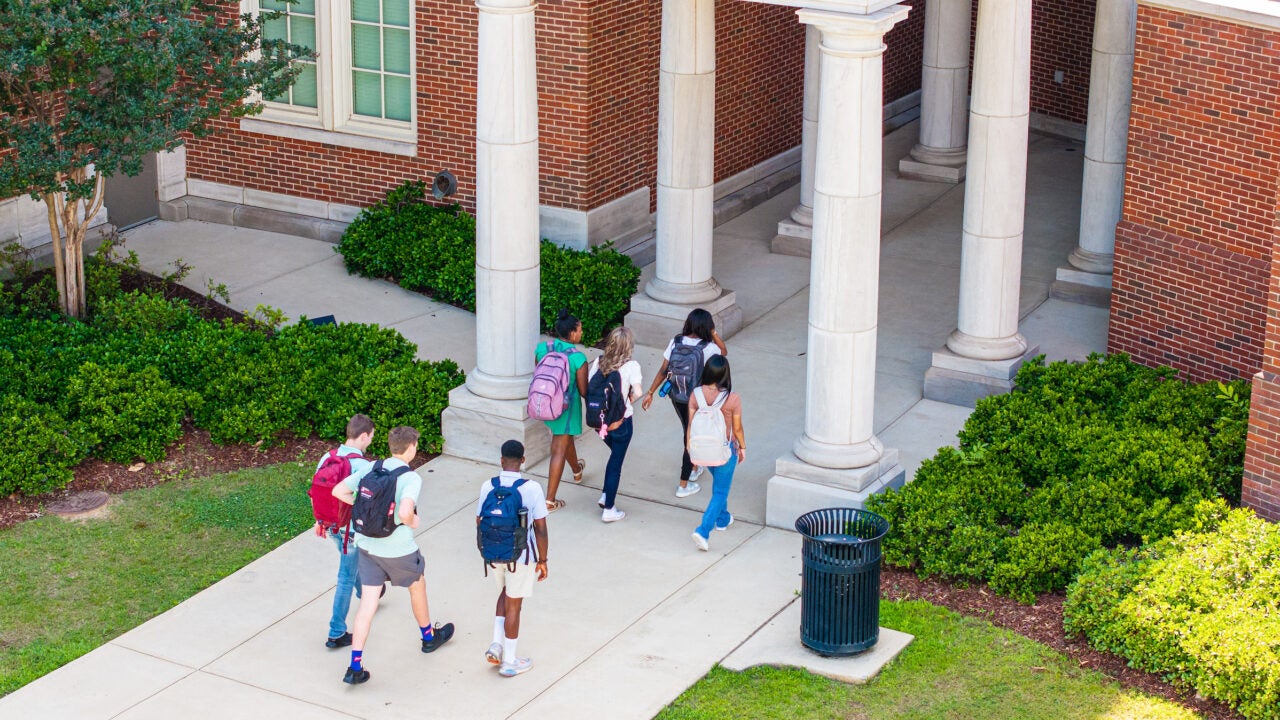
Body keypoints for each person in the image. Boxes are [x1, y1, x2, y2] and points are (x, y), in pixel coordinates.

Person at [332, 425, 454, 684]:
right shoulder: (410, 478)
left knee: (368, 602)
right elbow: (404, 512)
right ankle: (429, 638)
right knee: (417, 586)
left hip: (367, 545)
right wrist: (412, 521)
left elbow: (339, 491)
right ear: (411, 448)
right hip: (398, 549)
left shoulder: (371, 467)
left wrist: (369, 510)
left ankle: (355, 665)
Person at [477, 440, 549, 677]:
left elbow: (479, 520)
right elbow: (540, 528)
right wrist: (543, 560)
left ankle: (496, 644)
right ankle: (509, 661)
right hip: (521, 555)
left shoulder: (488, 485)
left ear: (501, 460)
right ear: (523, 460)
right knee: (515, 604)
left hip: (493, 553)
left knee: (505, 593)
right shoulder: (531, 488)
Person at [640, 308, 727, 498]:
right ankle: (683, 484)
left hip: (677, 396)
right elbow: (724, 352)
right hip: (696, 399)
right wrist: (713, 333)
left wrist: (650, 392)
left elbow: (664, 370)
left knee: (687, 429)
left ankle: (695, 468)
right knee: (691, 437)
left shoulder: (676, 342)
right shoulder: (708, 348)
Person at [315, 414, 374, 649]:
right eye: (370, 437)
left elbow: (315, 490)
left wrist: (319, 521)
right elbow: (366, 501)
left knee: (349, 562)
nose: (370, 441)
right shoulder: (362, 466)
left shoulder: (327, 457)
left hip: (329, 525)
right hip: (350, 529)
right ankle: (336, 631)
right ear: (362, 436)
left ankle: (366, 593)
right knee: (344, 576)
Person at [687, 356, 746, 551]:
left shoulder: (696, 394)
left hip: (702, 449)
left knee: (720, 485)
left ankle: (723, 519)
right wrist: (743, 447)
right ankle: (703, 530)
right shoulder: (733, 398)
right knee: (720, 491)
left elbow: (690, 424)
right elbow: (737, 429)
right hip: (724, 450)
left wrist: (689, 446)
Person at [587, 326, 643, 522]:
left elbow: (589, 388)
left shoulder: (598, 363)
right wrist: (625, 403)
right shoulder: (631, 366)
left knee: (614, 456)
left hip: (599, 423)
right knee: (616, 463)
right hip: (621, 423)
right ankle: (609, 508)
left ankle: (605, 494)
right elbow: (638, 392)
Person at [535, 309, 588, 512]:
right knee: (558, 448)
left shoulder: (543, 348)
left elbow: (539, 373)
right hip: (566, 409)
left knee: (565, 439)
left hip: (545, 404)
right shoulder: (578, 358)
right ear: (572, 333)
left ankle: (576, 469)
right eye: (580, 330)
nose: (581, 333)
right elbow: (584, 391)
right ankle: (549, 500)